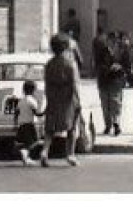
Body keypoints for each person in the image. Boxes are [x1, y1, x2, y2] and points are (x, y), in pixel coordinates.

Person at [42, 34, 81, 167]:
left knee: (50, 129)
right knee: (71, 128)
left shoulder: (49, 64)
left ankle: (44, 151)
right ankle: (70, 154)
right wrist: (78, 101)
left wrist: (49, 98)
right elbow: (74, 84)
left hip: (53, 98)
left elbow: (47, 83)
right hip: (68, 100)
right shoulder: (70, 65)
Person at [94, 31, 125, 137]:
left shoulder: (121, 51)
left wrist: (120, 67)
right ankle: (108, 125)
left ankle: (116, 124)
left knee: (115, 103)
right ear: (107, 41)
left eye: (115, 40)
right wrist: (108, 69)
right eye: (111, 40)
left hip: (116, 81)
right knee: (105, 105)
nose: (113, 42)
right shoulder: (101, 52)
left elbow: (127, 64)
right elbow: (97, 65)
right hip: (104, 80)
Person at [13, 78, 46, 166]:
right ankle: (25, 154)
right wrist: (45, 112)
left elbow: (16, 113)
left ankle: (26, 158)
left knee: (25, 142)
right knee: (34, 142)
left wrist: (15, 124)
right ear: (33, 90)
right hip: (29, 124)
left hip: (22, 125)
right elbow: (37, 114)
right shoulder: (32, 101)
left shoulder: (21, 101)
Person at [60, 10, 84, 74]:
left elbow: (65, 29)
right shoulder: (77, 21)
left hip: (71, 40)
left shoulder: (71, 21)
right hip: (75, 39)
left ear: (70, 14)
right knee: (75, 53)